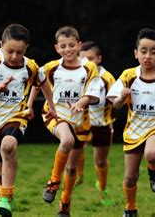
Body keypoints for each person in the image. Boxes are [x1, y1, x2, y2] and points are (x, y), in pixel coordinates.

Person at [0, 23, 56, 216]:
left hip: (17, 115)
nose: (15, 57)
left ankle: (5, 198)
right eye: (10, 51)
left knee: (8, 146)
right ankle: (4, 191)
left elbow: (43, 83)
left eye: (20, 52)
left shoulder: (30, 66)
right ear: (1, 45)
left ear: (26, 48)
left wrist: (51, 106)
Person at [106, 28, 155, 217]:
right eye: (143, 51)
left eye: (153, 51)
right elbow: (115, 105)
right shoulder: (128, 76)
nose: (147, 56)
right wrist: (121, 98)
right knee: (130, 177)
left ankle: (154, 169)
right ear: (136, 53)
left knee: (152, 154)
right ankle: (130, 208)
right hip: (134, 130)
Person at [30, 26, 101, 217]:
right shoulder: (52, 67)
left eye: (71, 45)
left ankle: (65, 204)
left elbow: (93, 92)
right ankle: (53, 183)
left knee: (71, 168)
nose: (67, 49)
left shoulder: (89, 67)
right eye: (63, 46)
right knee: (67, 141)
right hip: (56, 115)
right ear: (57, 48)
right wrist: (29, 105)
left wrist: (81, 102)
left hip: (80, 122)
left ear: (79, 45)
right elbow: (37, 82)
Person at [75, 41, 116, 206]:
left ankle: (103, 188)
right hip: (80, 122)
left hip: (102, 125)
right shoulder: (76, 75)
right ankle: (78, 176)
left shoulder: (107, 78)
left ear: (99, 59)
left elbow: (116, 99)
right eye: (82, 58)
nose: (86, 62)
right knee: (75, 151)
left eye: (90, 58)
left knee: (100, 161)